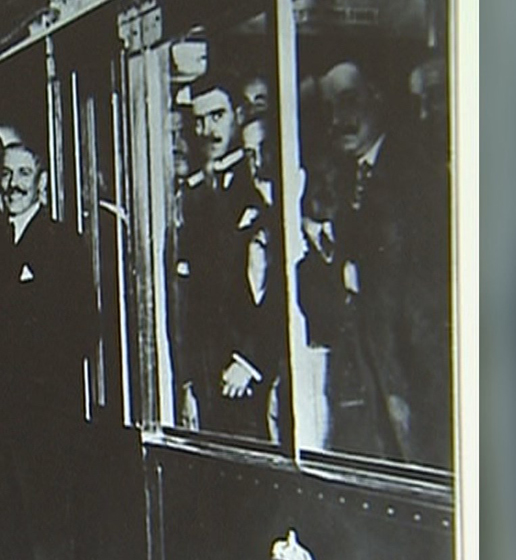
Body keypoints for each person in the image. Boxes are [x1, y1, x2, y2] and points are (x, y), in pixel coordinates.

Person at [0, 143, 94, 560]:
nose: (16, 183)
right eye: (9, 175)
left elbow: (84, 329)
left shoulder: (62, 242)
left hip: (47, 418)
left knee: (50, 530)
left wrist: (44, 381)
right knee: (0, 521)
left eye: (26, 174)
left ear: (42, 184)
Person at [296, 59, 451, 467]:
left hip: (415, 377)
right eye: (329, 109)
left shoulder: (417, 175)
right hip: (367, 379)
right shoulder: (339, 181)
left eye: (349, 102)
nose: (338, 120)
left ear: (376, 99)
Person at [170, 73, 284, 440]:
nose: (207, 130)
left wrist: (250, 360)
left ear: (238, 114)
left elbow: (282, 284)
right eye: (199, 121)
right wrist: (187, 379)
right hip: (208, 370)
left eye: (217, 116)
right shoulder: (197, 197)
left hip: (249, 373)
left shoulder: (260, 182)